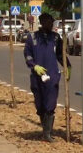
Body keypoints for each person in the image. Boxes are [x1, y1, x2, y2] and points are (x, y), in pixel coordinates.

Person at [23, 12, 69, 142]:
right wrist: (34, 66)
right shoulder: (32, 37)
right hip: (37, 76)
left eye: (51, 22)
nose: (50, 24)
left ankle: (47, 133)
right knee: (40, 104)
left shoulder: (55, 38)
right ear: (42, 22)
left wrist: (67, 66)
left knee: (50, 103)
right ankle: (44, 128)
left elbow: (60, 54)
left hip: (52, 74)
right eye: (48, 22)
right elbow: (27, 54)